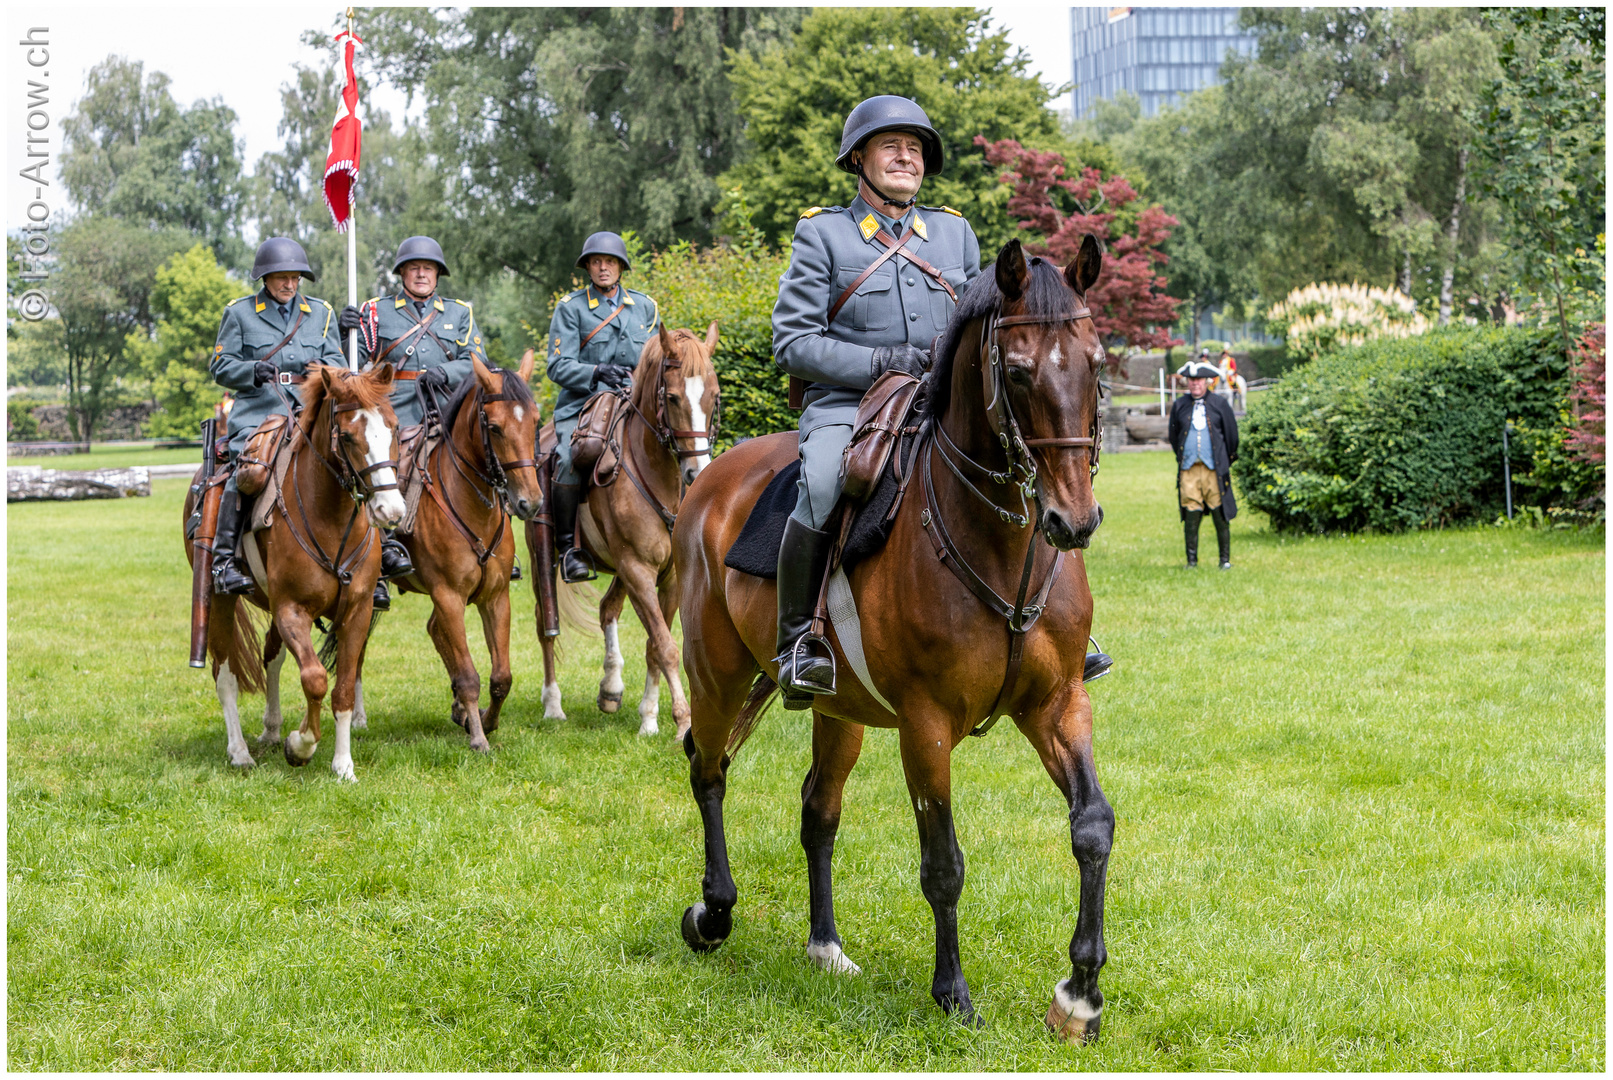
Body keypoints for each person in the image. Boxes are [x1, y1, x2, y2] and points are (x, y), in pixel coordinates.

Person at [769, 95, 982, 703]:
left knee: (1021, 467)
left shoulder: (954, 232)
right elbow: (793, 343)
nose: (906, 157)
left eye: (915, 149)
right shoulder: (823, 234)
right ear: (858, 157)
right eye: (891, 145)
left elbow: (977, 325)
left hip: (938, 401)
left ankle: (1060, 624)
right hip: (849, 405)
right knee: (825, 481)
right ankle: (797, 645)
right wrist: (880, 363)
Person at [338, 236, 491, 607]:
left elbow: (477, 359)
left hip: (449, 408)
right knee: (386, 470)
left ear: (438, 274)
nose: (421, 273)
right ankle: (382, 555)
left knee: (492, 459)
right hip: (398, 411)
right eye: (414, 267)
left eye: (429, 268)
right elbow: (353, 366)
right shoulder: (376, 311)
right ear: (402, 273)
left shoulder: (459, 313)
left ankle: (495, 545)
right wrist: (347, 334)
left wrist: (445, 370)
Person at [208, 237, 346, 596]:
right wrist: (251, 370)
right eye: (281, 277)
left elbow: (340, 365)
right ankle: (224, 560)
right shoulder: (239, 313)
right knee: (251, 469)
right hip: (260, 411)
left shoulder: (321, 313)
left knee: (350, 459)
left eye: (295, 277)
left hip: (308, 410)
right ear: (265, 278)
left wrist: (323, 369)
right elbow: (220, 366)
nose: (289, 284)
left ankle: (366, 563)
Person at [543, 231, 661, 583]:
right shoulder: (571, 307)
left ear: (621, 267)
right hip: (584, 403)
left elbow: (655, 358)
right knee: (566, 458)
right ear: (588, 268)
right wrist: (595, 371)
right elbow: (556, 365)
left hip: (633, 402)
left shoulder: (645, 307)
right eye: (596, 262)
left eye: (609, 261)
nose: (603, 267)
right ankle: (568, 550)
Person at [1168, 358, 1239, 569]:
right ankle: (1191, 561)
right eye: (1191, 380)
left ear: (1206, 381)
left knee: (1220, 513)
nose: (1194, 384)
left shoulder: (1220, 404)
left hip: (1214, 470)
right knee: (1191, 514)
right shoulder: (1179, 405)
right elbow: (1174, 436)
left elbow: (1232, 436)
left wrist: (1225, 462)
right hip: (1189, 469)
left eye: (1198, 380)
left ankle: (1224, 561)